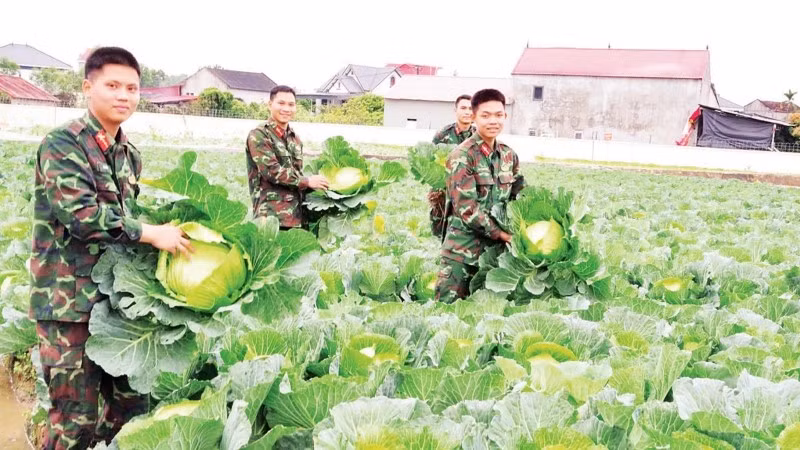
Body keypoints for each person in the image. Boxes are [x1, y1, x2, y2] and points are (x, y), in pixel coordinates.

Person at [30, 46, 194, 449]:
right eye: (113, 85)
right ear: (88, 87)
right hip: (68, 304)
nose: (124, 95)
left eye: (133, 88)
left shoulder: (128, 154)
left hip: (118, 306)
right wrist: (151, 233)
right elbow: (81, 217)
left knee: (129, 412)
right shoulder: (63, 144)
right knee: (74, 421)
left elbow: (129, 216)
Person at [435, 88, 526, 303]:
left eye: (498, 115)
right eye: (485, 116)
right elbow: (467, 208)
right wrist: (504, 236)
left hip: (496, 258)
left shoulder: (508, 155)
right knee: (448, 317)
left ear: (505, 116)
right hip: (462, 254)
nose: (492, 121)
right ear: (474, 117)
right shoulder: (462, 156)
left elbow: (519, 199)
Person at [245, 85, 329, 230]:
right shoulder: (259, 135)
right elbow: (272, 171)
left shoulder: (294, 138)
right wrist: (307, 181)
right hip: (271, 218)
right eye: (281, 103)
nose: (286, 109)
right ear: (270, 105)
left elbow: (296, 175)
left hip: (297, 217)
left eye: (291, 104)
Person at [428, 95, 475, 237]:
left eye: (471, 108)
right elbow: (431, 162)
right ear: (455, 110)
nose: (467, 112)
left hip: (467, 191)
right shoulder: (442, 135)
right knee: (440, 228)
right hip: (444, 190)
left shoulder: (478, 136)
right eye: (463, 108)